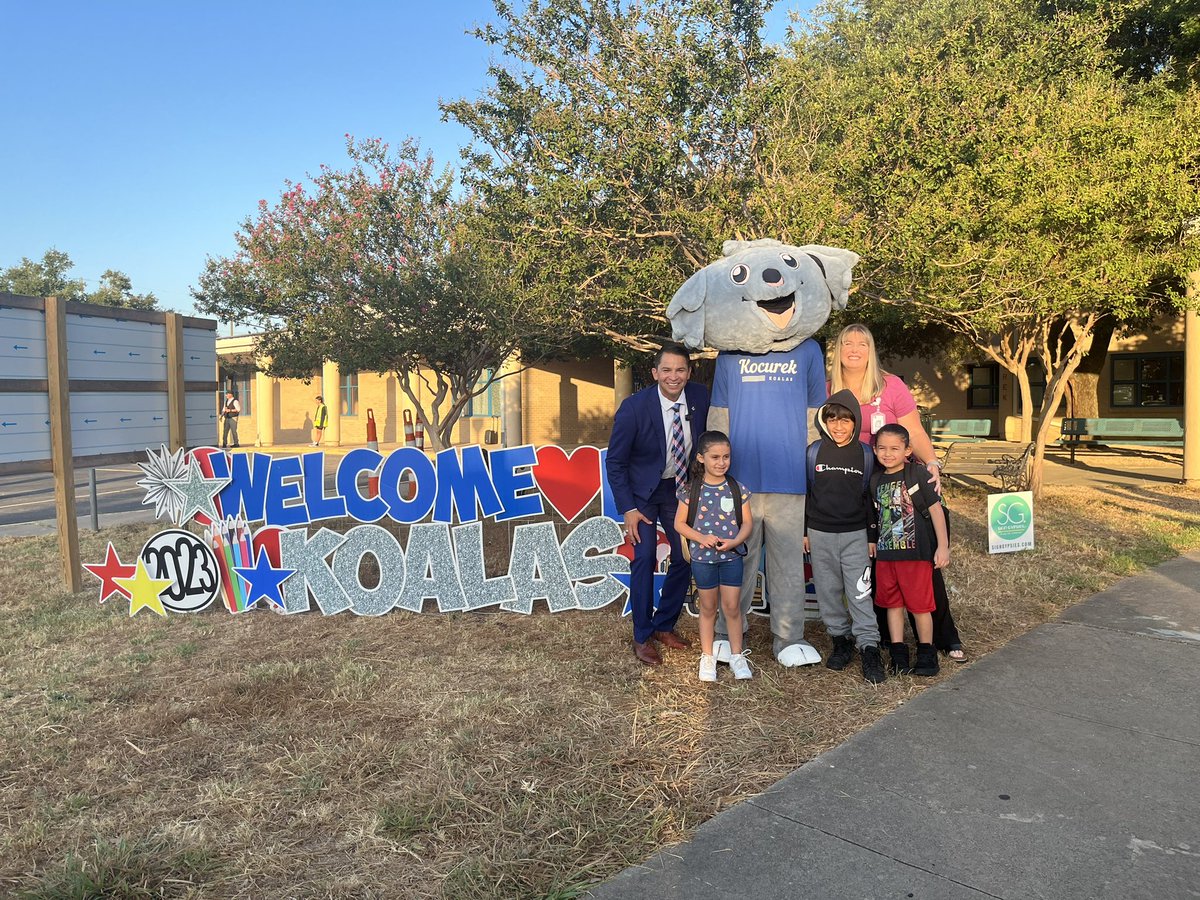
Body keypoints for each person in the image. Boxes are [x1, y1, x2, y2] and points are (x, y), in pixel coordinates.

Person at [830, 323, 966, 662]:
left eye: (863, 342)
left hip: (900, 483)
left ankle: (943, 636)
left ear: (872, 348)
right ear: (838, 349)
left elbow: (913, 430)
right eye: (848, 342)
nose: (855, 348)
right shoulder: (827, 387)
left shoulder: (891, 385)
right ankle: (887, 641)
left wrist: (932, 462)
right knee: (877, 563)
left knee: (922, 559)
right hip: (857, 485)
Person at [606, 344, 710, 666]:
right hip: (643, 495)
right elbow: (616, 462)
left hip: (680, 491)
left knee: (684, 555)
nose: (673, 376)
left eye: (680, 370)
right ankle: (641, 634)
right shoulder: (634, 408)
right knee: (645, 555)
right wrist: (628, 509)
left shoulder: (701, 398)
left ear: (689, 372)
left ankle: (664, 625)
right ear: (655, 373)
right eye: (666, 370)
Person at [804, 391, 886, 684]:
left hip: (855, 535)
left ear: (855, 422)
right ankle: (840, 640)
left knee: (860, 593)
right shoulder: (814, 451)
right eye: (833, 420)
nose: (839, 427)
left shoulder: (865, 454)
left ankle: (869, 647)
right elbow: (806, 493)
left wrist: (871, 535)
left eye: (846, 421)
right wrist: (804, 531)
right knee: (827, 591)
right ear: (824, 421)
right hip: (820, 533)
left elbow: (869, 498)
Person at [871, 424, 950, 677]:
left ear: (908, 450)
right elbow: (875, 517)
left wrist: (943, 547)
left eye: (895, 448)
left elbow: (936, 511)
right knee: (892, 605)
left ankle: (926, 652)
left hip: (916, 556)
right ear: (874, 450)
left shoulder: (918, 474)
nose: (887, 453)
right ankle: (898, 652)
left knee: (919, 606)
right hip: (886, 557)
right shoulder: (875, 480)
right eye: (882, 448)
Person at [674, 431, 753, 681]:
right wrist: (700, 537)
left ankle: (737, 656)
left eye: (726, 457)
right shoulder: (690, 490)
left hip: (732, 559)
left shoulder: (737, 489)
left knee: (732, 607)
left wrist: (735, 542)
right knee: (707, 608)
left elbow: (747, 523)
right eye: (715, 457)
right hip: (702, 560)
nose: (721, 462)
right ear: (701, 458)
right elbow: (679, 524)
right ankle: (707, 657)